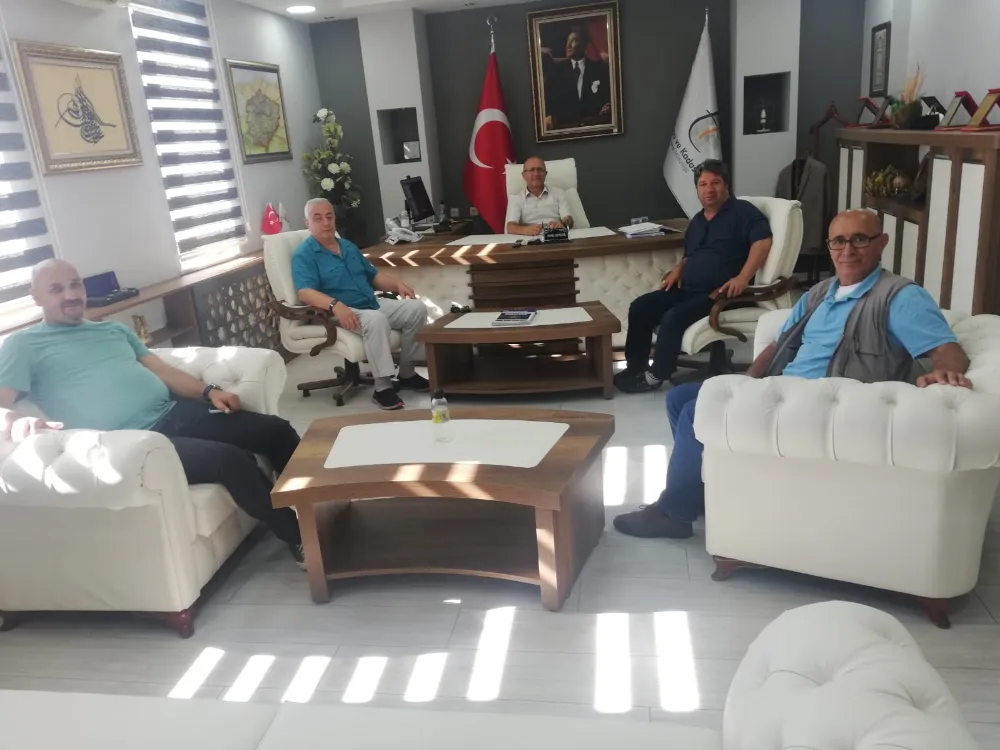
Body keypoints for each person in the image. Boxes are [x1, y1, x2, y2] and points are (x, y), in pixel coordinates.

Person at [613, 209, 972, 539]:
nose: (847, 250)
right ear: (829, 247)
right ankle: (699, 491)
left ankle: (674, 514)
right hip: (784, 393)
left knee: (697, 411)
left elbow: (948, 351)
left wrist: (945, 373)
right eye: (838, 241)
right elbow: (778, 345)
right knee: (680, 398)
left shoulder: (900, 297)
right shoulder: (821, 291)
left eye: (860, 239)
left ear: (881, 243)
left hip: (827, 407)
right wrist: (746, 384)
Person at [0, 259, 305, 564]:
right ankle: (303, 539)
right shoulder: (23, 345)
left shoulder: (112, 329)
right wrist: (16, 420)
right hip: (136, 443)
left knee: (275, 430)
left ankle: (319, 507)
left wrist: (209, 391)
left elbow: (163, 371)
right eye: (56, 289)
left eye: (75, 284)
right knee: (230, 460)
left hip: (176, 412)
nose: (70, 295)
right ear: (35, 295)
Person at [616, 160, 773, 394]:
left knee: (673, 317)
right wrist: (679, 268)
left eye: (715, 183)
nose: (709, 189)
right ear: (697, 190)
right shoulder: (698, 220)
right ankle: (636, 368)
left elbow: (763, 241)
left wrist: (742, 277)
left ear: (726, 185)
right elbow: (691, 255)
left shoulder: (743, 212)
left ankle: (656, 376)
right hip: (688, 289)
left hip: (720, 294)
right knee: (641, 307)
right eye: (703, 184)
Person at [293, 198, 428, 411]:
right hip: (340, 311)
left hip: (370, 303)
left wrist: (397, 285)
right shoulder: (304, 254)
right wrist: (336, 305)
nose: (326, 222)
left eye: (329, 216)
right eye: (317, 218)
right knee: (376, 320)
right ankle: (382, 388)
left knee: (416, 309)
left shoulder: (348, 246)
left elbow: (373, 275)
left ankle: (407, 373)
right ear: (307, 223)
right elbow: (305, 292)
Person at [544, 25, 611, 130]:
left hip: (594, 126)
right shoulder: (556, 71)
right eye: (568, 41)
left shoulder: (598, 69)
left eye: (574, 41)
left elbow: (606, 97)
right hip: (565, 128)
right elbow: (549, 100)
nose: (568, 45)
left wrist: (607, 107)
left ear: (584, 45)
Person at [505, 157, 575, 236]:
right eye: (532, 170)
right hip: (529, 238)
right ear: (524, 175)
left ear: (545, 173)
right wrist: (525, 230)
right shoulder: (516, 198)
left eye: (540, 169)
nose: (536, 174)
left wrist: (563, 225)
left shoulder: (558, 193)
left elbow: (568, 219)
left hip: (555, 235)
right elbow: (510, 227)